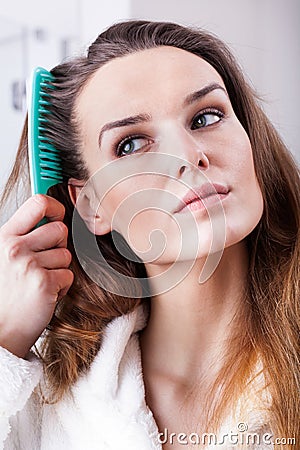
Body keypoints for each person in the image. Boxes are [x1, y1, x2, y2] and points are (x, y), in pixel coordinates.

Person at [0, 20, 299, 450]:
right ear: (92, 206)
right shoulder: (47, 401)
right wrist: (6, 343)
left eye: (207, 116)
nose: (189, 156)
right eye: (131, 144)